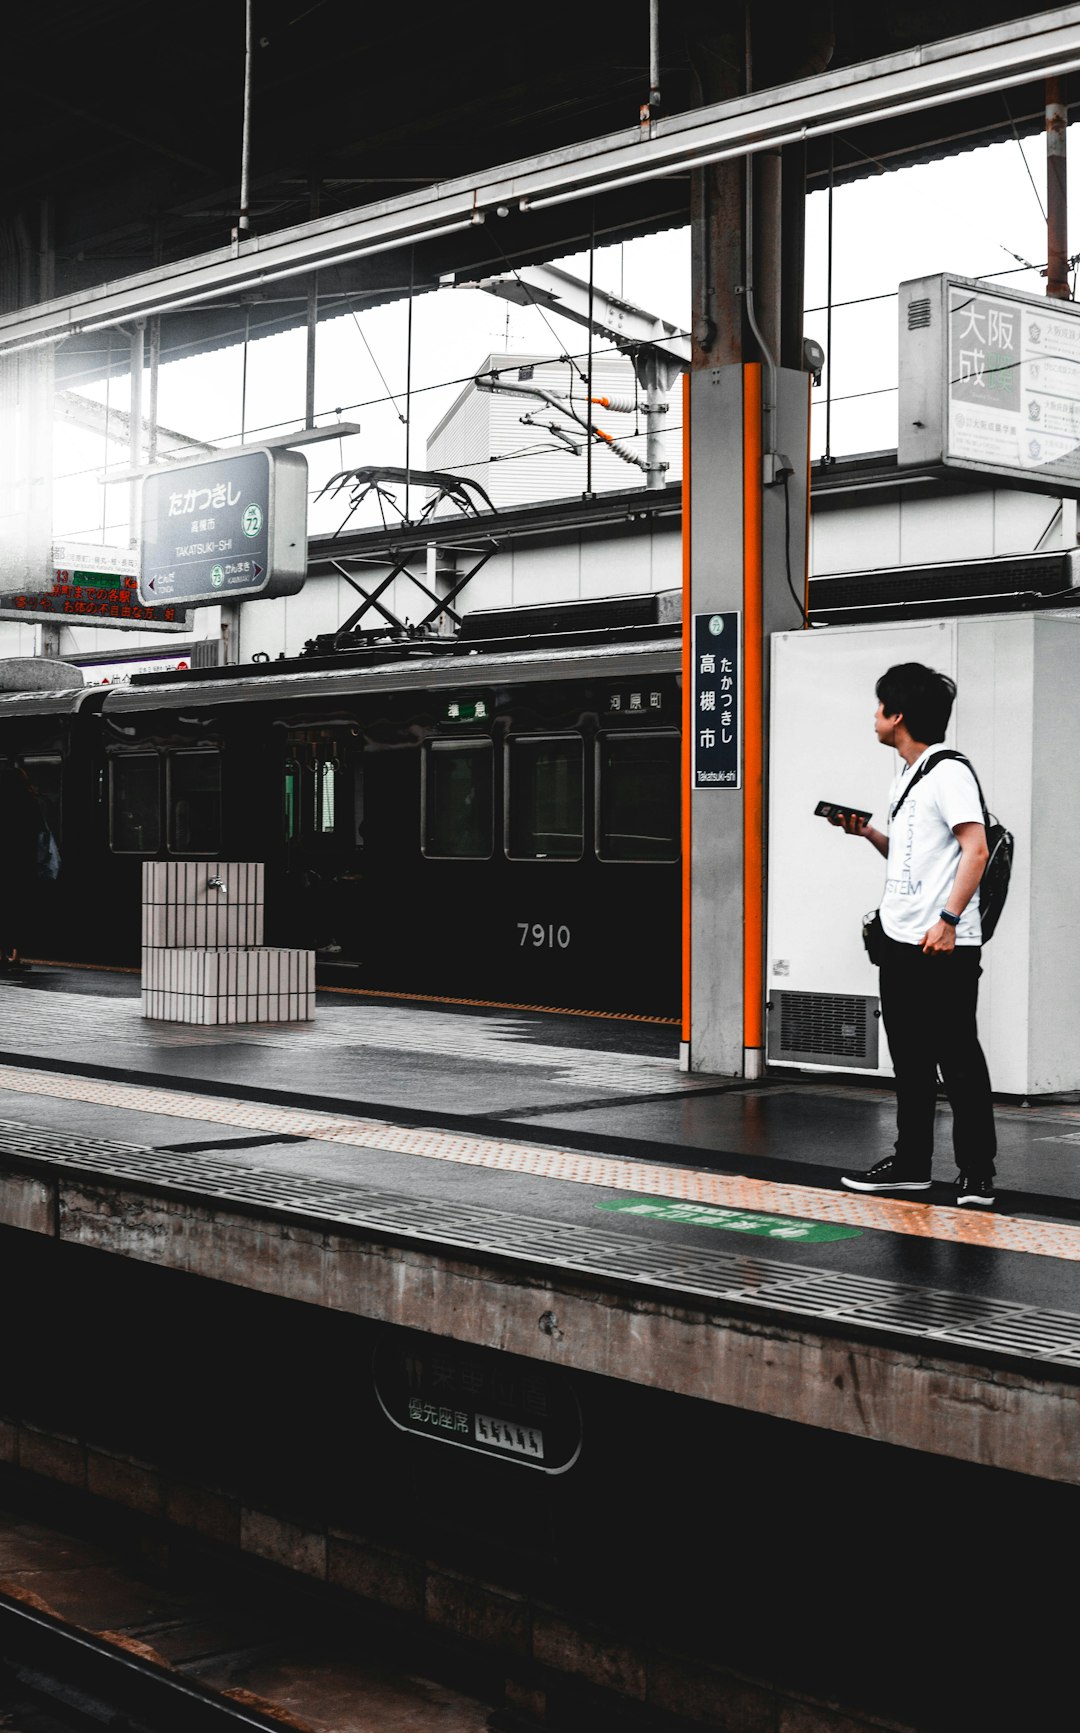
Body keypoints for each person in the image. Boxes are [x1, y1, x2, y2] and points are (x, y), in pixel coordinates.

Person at [830, 663, 997, 1208]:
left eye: (880, 707)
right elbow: (914, 857)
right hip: (900, 942)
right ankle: (911, 1165)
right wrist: (869, 833)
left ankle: (976, 1173)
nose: (873, 717)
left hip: (941, 943)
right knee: (910, 1059)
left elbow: (976, 848)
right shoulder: (909, 773)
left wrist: (948, 921)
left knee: (958, 1058)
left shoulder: (949, 772)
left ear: (898, 715)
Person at [0, 760, 47, 973]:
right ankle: (16, 957)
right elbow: (40, 833)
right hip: (23, 867)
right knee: (20, 911)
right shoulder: (29, 803)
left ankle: (0, 955)